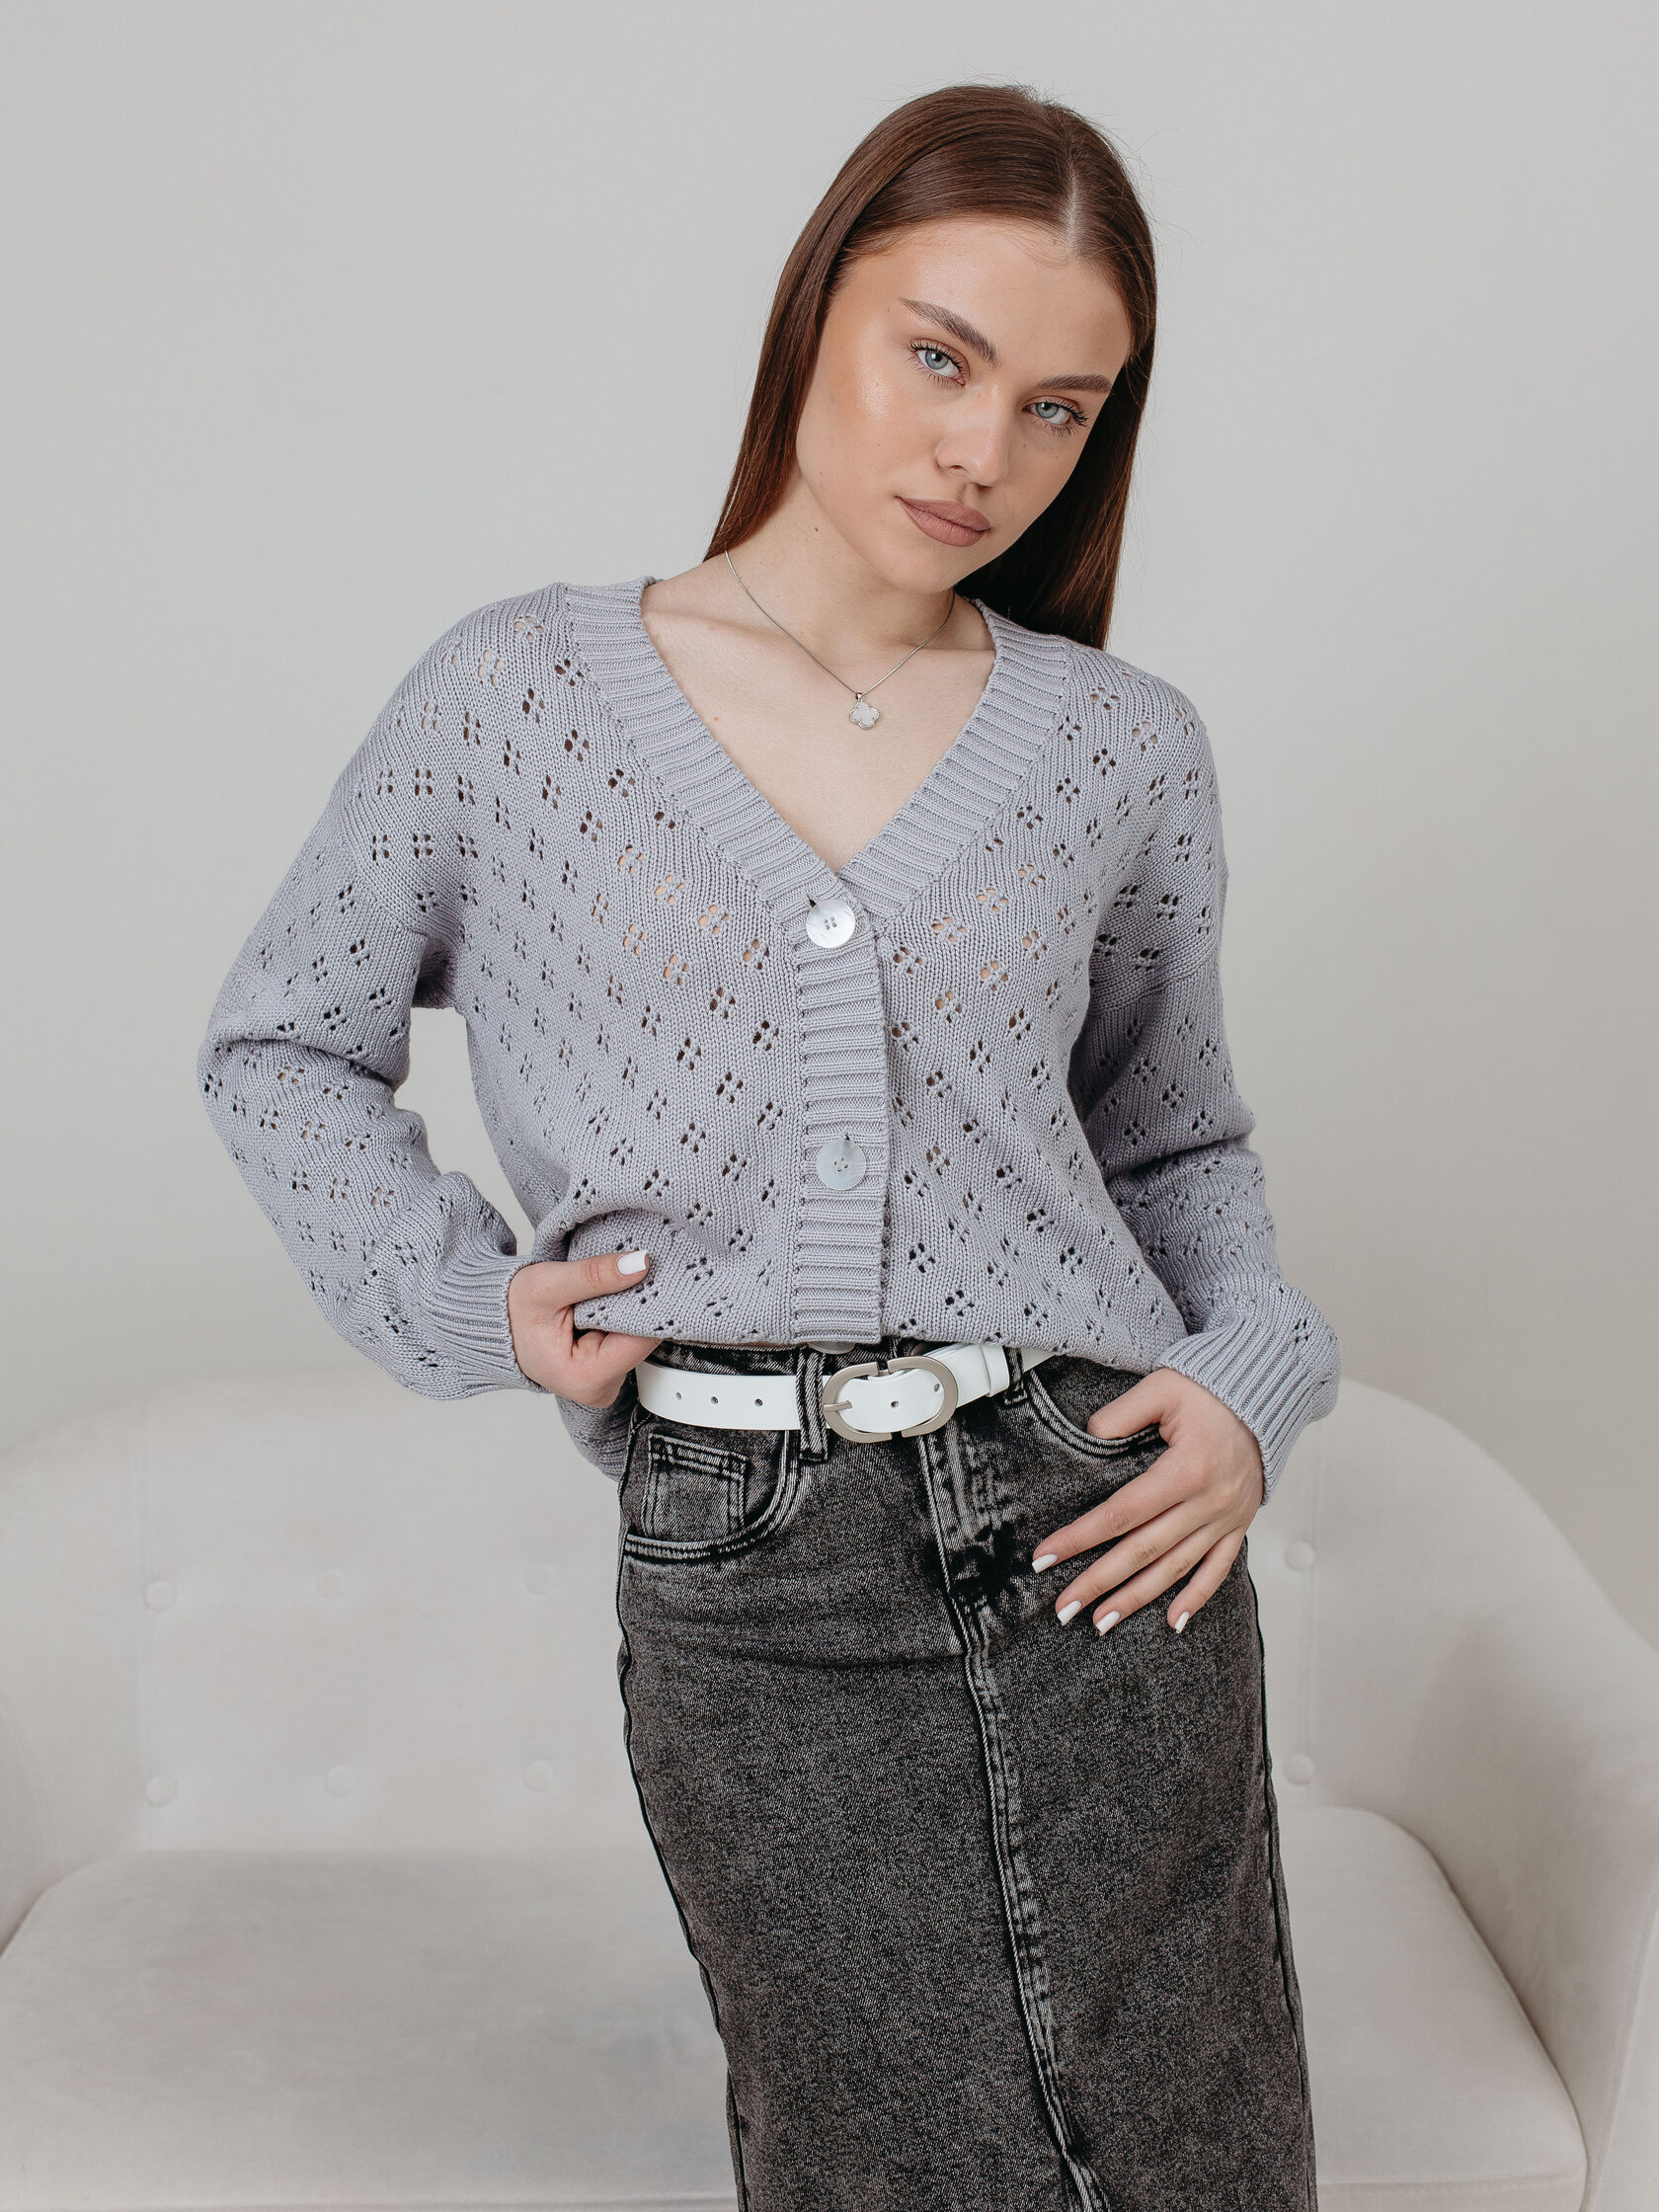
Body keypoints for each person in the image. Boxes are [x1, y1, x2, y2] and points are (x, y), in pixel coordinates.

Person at [198, 79, 1336, 2212]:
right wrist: (473, 1302)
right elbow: (282, 1044)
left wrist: (1256, 1382)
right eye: (940, 356)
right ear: (816, 311)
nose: (984, 453)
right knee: (878, 2153)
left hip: (1101, 1518)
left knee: (1201, 2152)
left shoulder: (1121, 747)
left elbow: (1174, 1141)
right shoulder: (512, 699)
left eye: (1060, 408)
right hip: (751, 1557)